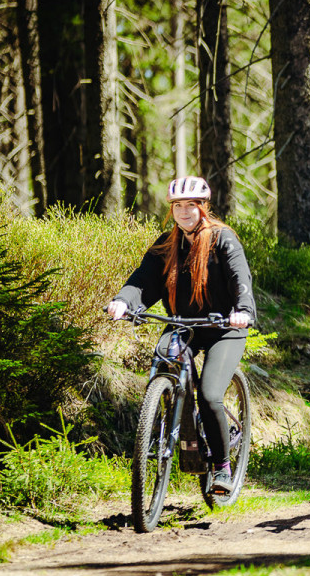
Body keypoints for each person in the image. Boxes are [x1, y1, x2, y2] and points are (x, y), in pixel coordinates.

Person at [106, 176, 256, 495]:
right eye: (178, 205)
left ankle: (222, 469)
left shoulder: (222, 239)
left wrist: (243, 310)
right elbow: (143, 280)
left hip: (224, 329)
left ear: (203, 207)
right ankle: (184, 440)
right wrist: (123, 301)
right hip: (184, 324)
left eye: (191, 205)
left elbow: (240, 278)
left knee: (211, 394)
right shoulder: (166, 244)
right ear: (171, 209)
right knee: (164, 362)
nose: (184, 211)